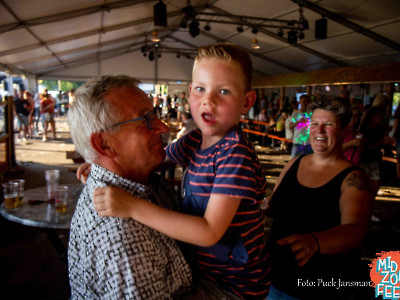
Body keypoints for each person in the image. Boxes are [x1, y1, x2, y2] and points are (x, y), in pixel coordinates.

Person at [92, 43, 270, 299]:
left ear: (247, 102)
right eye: (200, 89)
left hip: (233, 287)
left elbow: (209, 232)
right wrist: (108, 159)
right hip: (202, 270)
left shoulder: (235, 155)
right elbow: (154, 160)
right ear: (190, 93)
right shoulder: (193, 139)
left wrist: (131, 206)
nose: (208, 100)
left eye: (224, 91)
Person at [67, 75, 192, 299]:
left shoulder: (135, 180)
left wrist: (100, 162)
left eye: (154, 115)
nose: (163, 127)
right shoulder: (121, 236)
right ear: (104, 144)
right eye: (145, 120)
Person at [267, 97, 373, 299]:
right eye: (315, 124)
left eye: (329, 124)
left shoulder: (354, 178)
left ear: (344, 130)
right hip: (274, 278)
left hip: (316, 287)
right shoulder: (295, 163)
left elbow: (355, 230)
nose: (319, 130)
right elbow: (273, 204)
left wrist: (315, 241)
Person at [358, 106, 395, 222]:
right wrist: (382, 142)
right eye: (378, 115)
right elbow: (364, 149)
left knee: (375, 185)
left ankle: (369, 212)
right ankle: (360, 212)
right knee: (363, 188)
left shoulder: (379, 128)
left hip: (375, 160)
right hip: (364, 160)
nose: (381, 118)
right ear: (372, 116)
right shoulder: (364, 129)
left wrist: (387, 141)